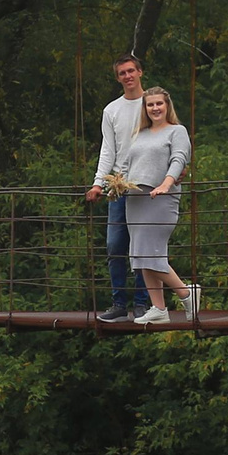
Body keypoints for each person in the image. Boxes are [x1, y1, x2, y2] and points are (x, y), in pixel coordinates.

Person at [120, 86, 193, 326]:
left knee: (152, 253)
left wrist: (166, 183)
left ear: (167, 105)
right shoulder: (139, 134)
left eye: (159, 104)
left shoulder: (176, 131)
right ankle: (159, 308)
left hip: (160, 197)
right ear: (145, 108)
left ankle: (186, 292)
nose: (155, 108)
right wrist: (116, 184)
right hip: (136, 199)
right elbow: (128, 165)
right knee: (140, 255)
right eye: (150, 105)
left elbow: (179, 158)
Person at [85, 53, 149, 322]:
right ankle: (119, 302)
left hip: (146, 186)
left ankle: (144, 304)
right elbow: (107, 150)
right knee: (114, 246)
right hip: (119, 186)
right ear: (118, 77)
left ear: (140, 72)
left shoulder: (154, 102)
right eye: (122, 73)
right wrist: (98, 183)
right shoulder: (111, 110)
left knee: (143, 247)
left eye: (131, 71)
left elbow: (172, 135)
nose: (128, 76)